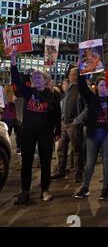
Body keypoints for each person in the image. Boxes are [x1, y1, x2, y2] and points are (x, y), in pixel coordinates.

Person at [10, 52, 61, 204]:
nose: (36, 79)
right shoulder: (28, 92)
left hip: (45, 134)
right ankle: (24, 190)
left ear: (46, 81)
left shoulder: (52, 96)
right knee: (26, 161)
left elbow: (57, 115)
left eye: (40, 77)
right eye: (35, 78)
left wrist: (57, 131)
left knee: (45, 162)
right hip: (28, 133)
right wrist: (13, 63)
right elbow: (17, 80)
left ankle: (44, 190)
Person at [74, 71, 108, 200]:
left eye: (105, 86)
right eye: (100, 85)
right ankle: (85, 187)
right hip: (93, 135)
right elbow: (82, 87)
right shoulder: (92, 99)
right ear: (96, 87)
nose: (103, 88)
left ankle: (105, 188)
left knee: (107, 163)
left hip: (106, 135)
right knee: (89, 163)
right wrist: (81, 71)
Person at [52, 68, 84, 182]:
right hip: (64, 123)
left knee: (77, 150)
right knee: (61, 148)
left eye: (72, 74)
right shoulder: (69, 88)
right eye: (70, 74)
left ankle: (79, 172)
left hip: (73, 124)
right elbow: (64, 103)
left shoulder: (82, 89)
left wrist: (78, 120)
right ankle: (61, 170)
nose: (70, 76)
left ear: (77, 75)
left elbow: (87, 108)